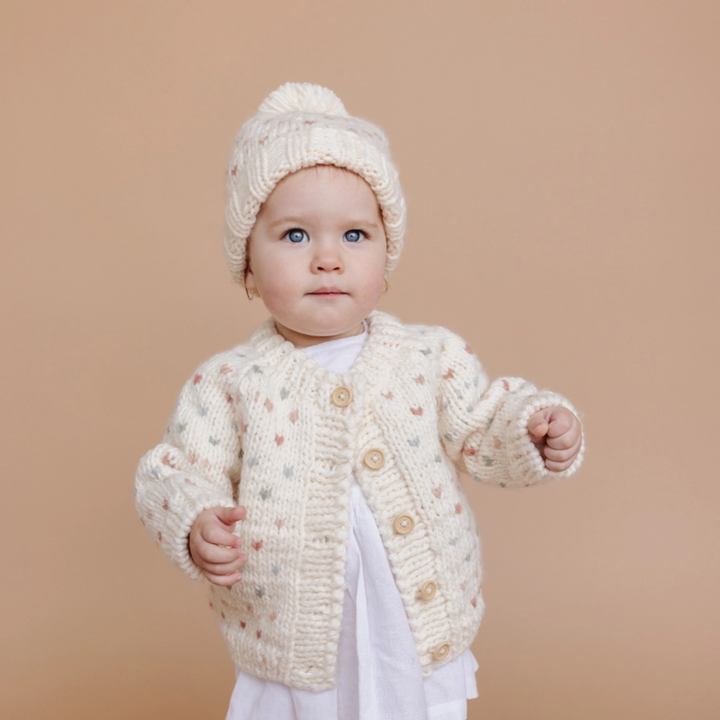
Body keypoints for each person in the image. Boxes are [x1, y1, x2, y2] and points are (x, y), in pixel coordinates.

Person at [135, 82, 584, 720]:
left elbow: (482, 427)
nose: (326, 259)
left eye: (354, 235)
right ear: (247, 267)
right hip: (291, 634)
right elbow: (174, 469)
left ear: (386, 255)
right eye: (294, 236)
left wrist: (532, 431)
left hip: (411, 618)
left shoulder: (429, 359)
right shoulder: (230, 382)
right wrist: (196, 519)